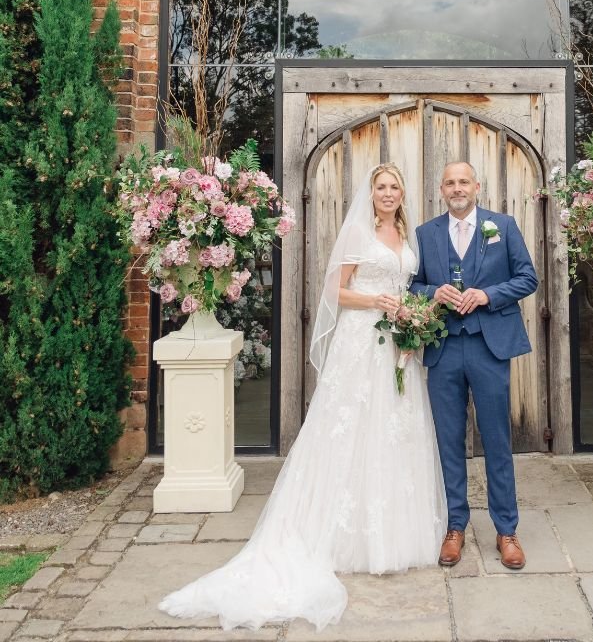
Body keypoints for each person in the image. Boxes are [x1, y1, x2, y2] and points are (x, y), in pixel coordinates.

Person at [159, 163, 446, 631]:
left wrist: (410, 320)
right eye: (381, 187)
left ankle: (392, 533)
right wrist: (377, 302)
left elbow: (406, 286)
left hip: (397, 342)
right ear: (369, 192)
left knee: (394, 425)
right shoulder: (358, 233)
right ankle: (336, 535)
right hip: (362, 340)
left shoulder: (407, 235)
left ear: (402, 193)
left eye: (395, 186)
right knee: (351, 424)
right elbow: (336, 291)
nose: (388, 193)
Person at [410, 161, 538, 570]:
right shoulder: (426, 233)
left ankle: (506, 530)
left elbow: (527, 278)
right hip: (444, 347)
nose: (457, 188)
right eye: (449, 182)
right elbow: (411, 284)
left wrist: (486, 295)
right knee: (448, 441)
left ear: (477, 186)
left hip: (489, 347)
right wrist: (434, 291)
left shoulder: (503, 225)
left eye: (463, 181)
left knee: (497, 440)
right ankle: (455, 526)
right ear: (441, 190)